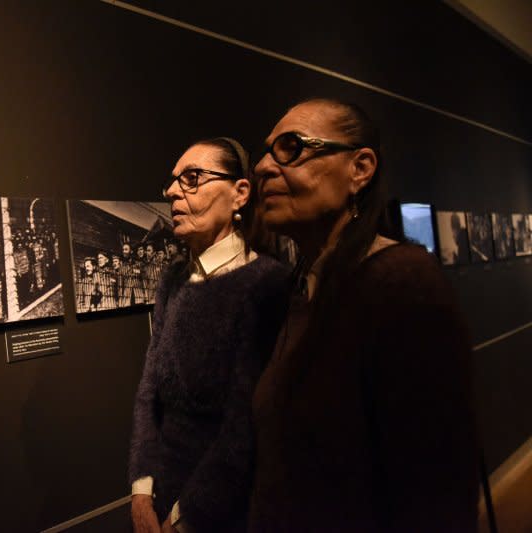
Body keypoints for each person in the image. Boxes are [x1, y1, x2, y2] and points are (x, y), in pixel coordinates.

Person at [248, 98, 478, 531]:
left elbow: (436, 492)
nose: (262, 166)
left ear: (360, 169)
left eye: (291, 147)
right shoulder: (302, 287)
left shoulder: (401, 284)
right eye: (265, 151)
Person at [130, 137, 289, 533]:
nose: (171, 192)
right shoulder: (173, 280)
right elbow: (149, 390)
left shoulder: (267, 283)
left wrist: (186, 517)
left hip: (227, 511)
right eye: (172, 181)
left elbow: (245, 423)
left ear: (239, 194)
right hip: (161, 497)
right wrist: (141, 489)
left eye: (192, 178)